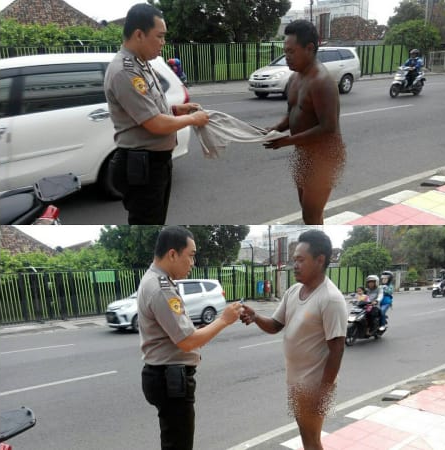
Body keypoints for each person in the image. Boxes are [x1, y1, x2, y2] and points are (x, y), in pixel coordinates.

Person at [239, 230, 347, 450]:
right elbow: (275, 326)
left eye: (300, 260)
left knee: (312, 440)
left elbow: (337, 351)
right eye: (294, 260)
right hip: (296, 381)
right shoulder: (293, 291)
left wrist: (322, 393)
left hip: (315, 386)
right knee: (306, 438)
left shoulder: (330, 299)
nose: (294, 265)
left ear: (320, 260)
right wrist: (256, 317)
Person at [137, 225, 243, 450]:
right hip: (170, 379)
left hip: (164, 376)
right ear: (173, 254)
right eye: (191, 256)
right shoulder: (161, 288)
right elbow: (187, 342)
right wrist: (224, 319)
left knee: (174, 441)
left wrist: (202, 329)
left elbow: (178, 331)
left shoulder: (157, 280)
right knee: (179, 444)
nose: (193, 263)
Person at [104, 4, 209, 224]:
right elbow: (155, 124)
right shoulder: (126, 71)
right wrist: (192, 119)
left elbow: (146, 109)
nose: (163, 42)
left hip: (154, 162)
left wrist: (175, 110)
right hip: (143, 165)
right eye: (159, 36)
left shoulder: (142, 63)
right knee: (148, 224)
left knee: (156, 221)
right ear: (139, 34)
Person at [263, 20, 346, 225]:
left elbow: (328, 128)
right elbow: (294, 112)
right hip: (304, 152)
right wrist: (277, 128)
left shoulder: (322, 82)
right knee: (307, 209)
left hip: (324, 156)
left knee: (311, 214)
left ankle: (318, 250)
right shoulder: (295, 78)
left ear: (309, 48)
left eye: (291, 52)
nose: (286, 57)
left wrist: (286, 141)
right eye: (285, 51)